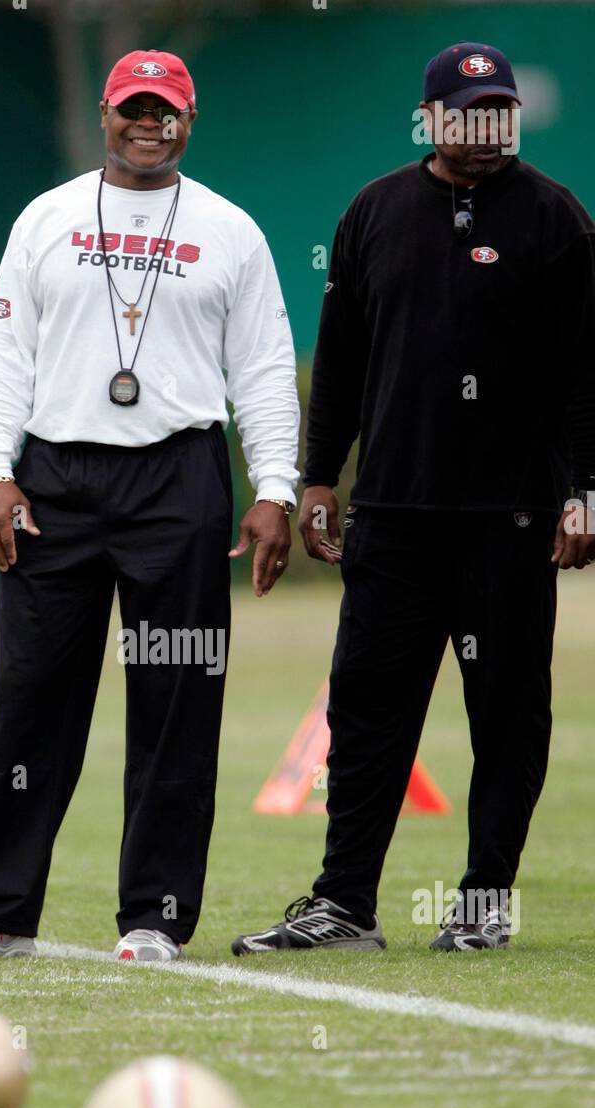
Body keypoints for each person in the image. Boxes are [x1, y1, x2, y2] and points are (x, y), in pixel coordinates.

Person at [0, 49, 300, 963]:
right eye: (134, 107)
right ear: (105, 113)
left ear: (189, 120)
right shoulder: (46, 218)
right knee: (30, 700)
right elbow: (4, 356)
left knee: (176, 700)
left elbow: (261, 371)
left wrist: (276, 489)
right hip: (54, 482)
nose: (149, 123)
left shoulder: (231, 231)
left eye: (165, 110)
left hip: (180, 482)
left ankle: (155, 920)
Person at [233, 41, 595, 957]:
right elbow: (344, 358)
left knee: (507, 713)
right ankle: (344, 903)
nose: (483, 131)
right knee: (364, 709)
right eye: (466, 113)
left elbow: (587, 376)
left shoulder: (557, 220)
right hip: (392, 513)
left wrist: (585, 490)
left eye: (499, 113)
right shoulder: (375, 212)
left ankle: (483, 899)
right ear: (431, 118)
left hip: (509, 516)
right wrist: (319, 477)